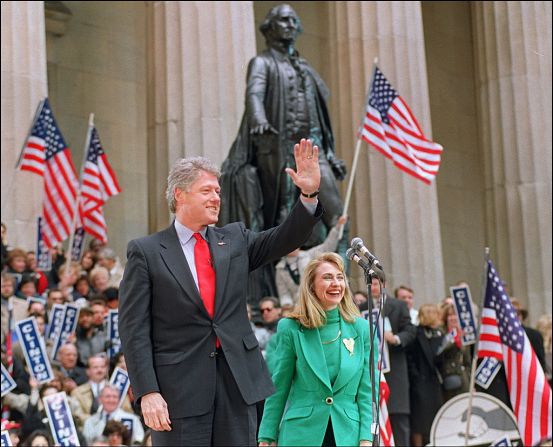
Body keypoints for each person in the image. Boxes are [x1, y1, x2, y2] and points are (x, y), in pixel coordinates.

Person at [119, 138, 322, 446]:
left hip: (238, 387)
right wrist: (148, 391)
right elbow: (133, 330)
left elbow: (285, 237)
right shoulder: (146, 252)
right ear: (179, 195)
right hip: (178, 395)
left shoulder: (235, 239)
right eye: (206, 191)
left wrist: (307, 196)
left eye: (217, 192)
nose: (216, 198)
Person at [258, 252, 376, 446]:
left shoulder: (361, 328)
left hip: (349, 435)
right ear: (311, 286)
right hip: (300, 434)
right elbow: (279, 386)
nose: (336, 283)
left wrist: (366, 436)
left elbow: (367, 389)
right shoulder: (291, 328)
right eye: (328, 277)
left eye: (340, 277)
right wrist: (267, 435)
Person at [369, 277, 416, 447]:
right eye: (370, 283)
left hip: (394, 369)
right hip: (371, 369)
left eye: (376, 284)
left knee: (398, 417)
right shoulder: (360, 307)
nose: (373, 287)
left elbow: (410, 331)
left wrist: (395, 338)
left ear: (383, 284)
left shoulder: (398, 305)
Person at [275, 215, 347, 308]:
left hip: (315, 302)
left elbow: (328, 246)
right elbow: (284, 293)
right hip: (298, 307)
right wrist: (287, 306)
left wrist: (338, 227)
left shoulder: (309, 255)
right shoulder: (280, 268)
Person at [406, 304, 444, 446]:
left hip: (434, 383)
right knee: (419, 422)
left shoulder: (438, 334)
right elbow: (409, 358)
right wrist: (415, 377)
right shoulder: (416, 333)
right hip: (419, 384)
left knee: (435, 419)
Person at [436, 303, 471, 402]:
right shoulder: (441, 334)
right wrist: (452, 339)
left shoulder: (465, 336)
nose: (453, 318)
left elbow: (467, 362)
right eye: (450, 315)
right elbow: (439, 354)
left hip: (464, 380)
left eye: (455, 315)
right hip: (448, 379)